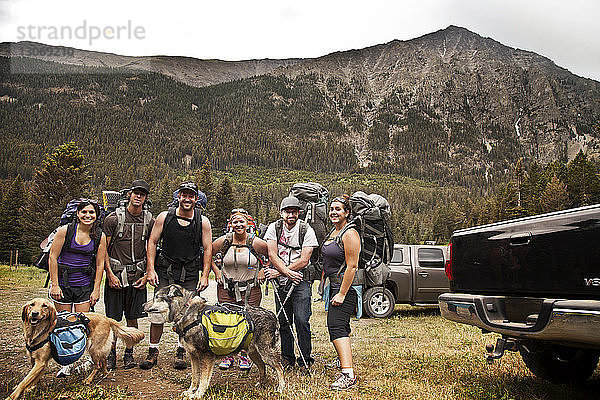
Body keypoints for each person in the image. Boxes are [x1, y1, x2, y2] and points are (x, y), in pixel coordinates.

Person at [142, 181, 212, 370]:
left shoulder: (202, 221)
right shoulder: (165, 217)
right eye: (184, 195)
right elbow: (153, 242)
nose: (187, 199)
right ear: (178, 196)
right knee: (158, 309)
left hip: (189, 271)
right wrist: (151, 268)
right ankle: (153, 350)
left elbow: (207, 248)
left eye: (191, 195)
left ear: (196, 199)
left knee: (187, 313)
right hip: (166, 269)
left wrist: (205, 275)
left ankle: (181, 350)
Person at [103, 179, 155, 370]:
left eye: (142, 194)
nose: (138, 196)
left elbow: (152, 248)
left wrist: (147, 274)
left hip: (138, 277)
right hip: (116, 275)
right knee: (114, 318)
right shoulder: (113, 219)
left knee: (133, 318)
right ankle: (111, 354)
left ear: (145, 198)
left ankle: (129, 354)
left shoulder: (150, 221)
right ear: (129, 195)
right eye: (136, 193)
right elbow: (103, 250)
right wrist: (109, 274)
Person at [264, 196, 318, 369]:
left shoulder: (306, 230)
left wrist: (281, 272)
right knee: (283, 321)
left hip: (300, 280)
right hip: (281, 281)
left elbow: (304, 260)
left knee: (302, 320)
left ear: (299, 213)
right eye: (287, 212)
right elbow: (272, 254)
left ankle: (305, 360)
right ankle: (287, 358)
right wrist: (286, 273)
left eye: (294, 212)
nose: (290, 215)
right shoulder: (274, 228)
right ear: (281, 213)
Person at [211, 208, 268, 371]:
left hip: (251, 289)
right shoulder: (223, 241)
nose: (238, 224)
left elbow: (272, 255)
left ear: (247, 223)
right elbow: (207, 254)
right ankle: (228, 354)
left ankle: (245, 355)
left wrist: (264, 270)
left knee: (249, 321)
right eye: (235, 222)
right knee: (226, 320)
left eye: (241, 221)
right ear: (230, 224)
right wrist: (216, 271)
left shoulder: (255, 242)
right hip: (226, 288)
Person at [321, 195, 360, 390]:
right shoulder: (335, 232)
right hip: (334, 286)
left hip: (346, 288)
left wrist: (342, 293)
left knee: (335, 326)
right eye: (331, 209)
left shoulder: (349, 233)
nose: (334, 212)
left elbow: (352, 266)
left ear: (347, 213)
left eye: (338, 209)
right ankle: (342, 362)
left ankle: (348, 374)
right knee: (341, 326)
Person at [48, 199, 107, 313]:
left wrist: (96, 290)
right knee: (65, 322)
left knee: (82, 323)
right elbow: (53, 257)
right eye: (84, 212)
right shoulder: (65, 231)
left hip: (84, 285)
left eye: (91, 212)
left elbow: (100, 264)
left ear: (96, 214)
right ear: (78, 213)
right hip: (62, 284)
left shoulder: (100, 236)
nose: (88, 215)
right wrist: (55, 285)